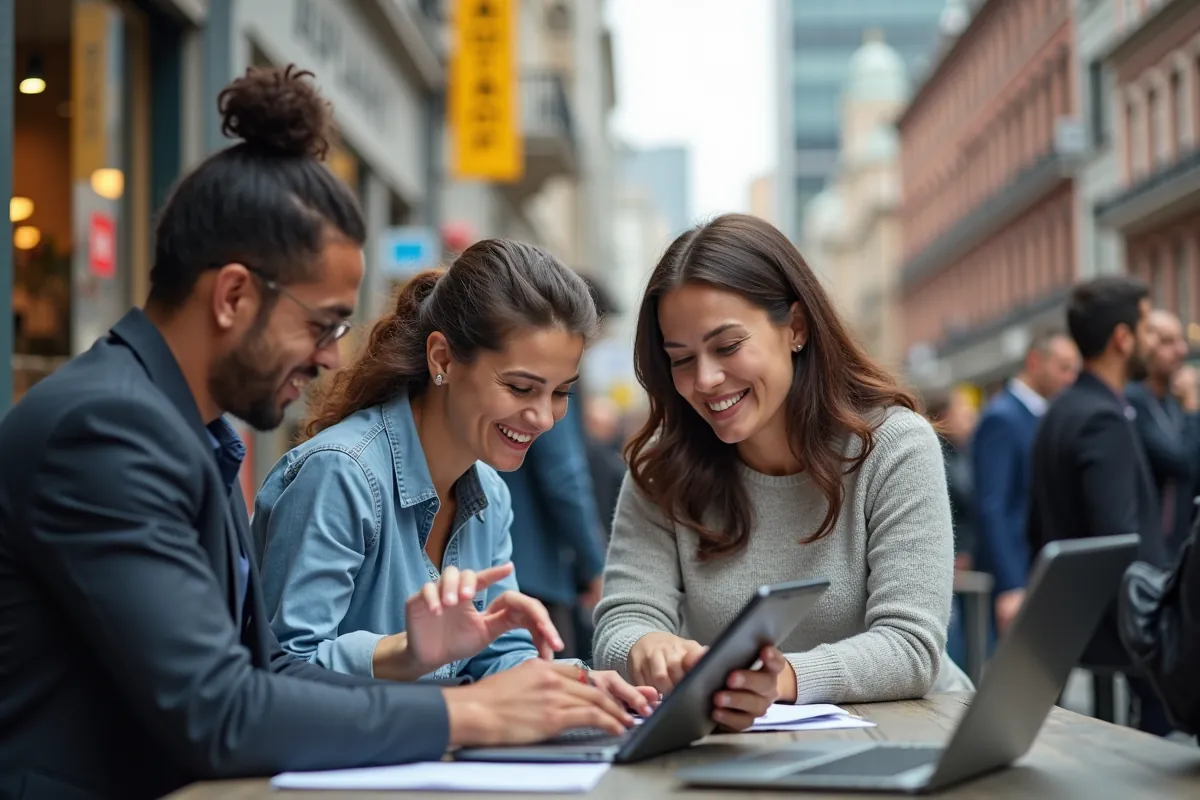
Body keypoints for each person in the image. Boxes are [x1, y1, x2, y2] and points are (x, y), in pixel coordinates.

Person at [0, 66, 636, 800]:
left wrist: (430, 664)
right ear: (233, 295)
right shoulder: (107, 430)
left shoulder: (180, 429)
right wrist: (467, 711)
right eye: (322, 323)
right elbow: (221, 711)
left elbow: (265, 673)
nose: (333, 355)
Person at [592, 214, 973, 730]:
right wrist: (647, 646)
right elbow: (621, 623)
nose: (705, 379)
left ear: (795, 327)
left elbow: (911, 646)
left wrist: (779, 679)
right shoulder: (663, 466)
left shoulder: (893, 445)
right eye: (681, 359)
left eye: (727, 346)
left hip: (917, 734)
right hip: (744, 748)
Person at [251, 242, 652, 712]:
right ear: (442, 359)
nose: (544, 418)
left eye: (561, 393)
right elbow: (283, 671)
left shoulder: (491, 494)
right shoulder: (341, 473)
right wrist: (406, 653)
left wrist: (579, 682)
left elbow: (497, 656)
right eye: (520, 387)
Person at [1026, 276, 1170, 734]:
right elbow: (1119, 541)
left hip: (1073, 624)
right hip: (1121, 635)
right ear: (1122, 339)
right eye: (1146, 329)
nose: (1151, 342)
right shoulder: (1102, 417)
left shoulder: (1062, 407)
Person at [972, 331, 1079, 635]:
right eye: (1063, 367)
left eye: (1074, 369)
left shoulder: (1043, 414)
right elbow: (993, 506)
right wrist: (1011, 584)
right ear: (1034, 362)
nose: (1070, 378)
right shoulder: (1002, 417)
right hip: (1017, 578)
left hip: (1042, 569)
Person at [1126, 310, 1200, 560]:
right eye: (1168, 342)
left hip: (1184, 541)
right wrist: (1191, 408)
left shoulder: (1172, 400)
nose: (1181, 350)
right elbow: (1181, 462)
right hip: (1154, 548)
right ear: (1145, 345)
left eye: (1181, 341)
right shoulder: (1133, 401)